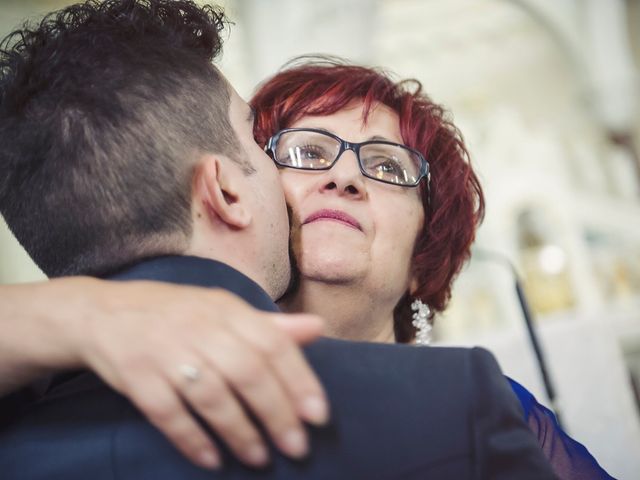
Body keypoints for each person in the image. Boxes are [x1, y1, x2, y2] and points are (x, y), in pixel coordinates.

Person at [0, 1, 556, 479]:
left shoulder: (471, 403)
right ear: (230, 188)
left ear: (423, 257)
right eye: (305, 153)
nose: (344, 177)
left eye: (388, 167)